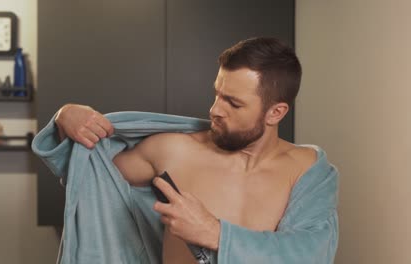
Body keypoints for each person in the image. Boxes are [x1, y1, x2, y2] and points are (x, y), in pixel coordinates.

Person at [52, 37, 336, 263]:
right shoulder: (173, 151)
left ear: (275, 112)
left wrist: (215, 233)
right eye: (217, 94)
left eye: (233, 104)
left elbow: (310, 253)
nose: (215, 110)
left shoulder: (306, 170)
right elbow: (87, 178)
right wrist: (65, 118)